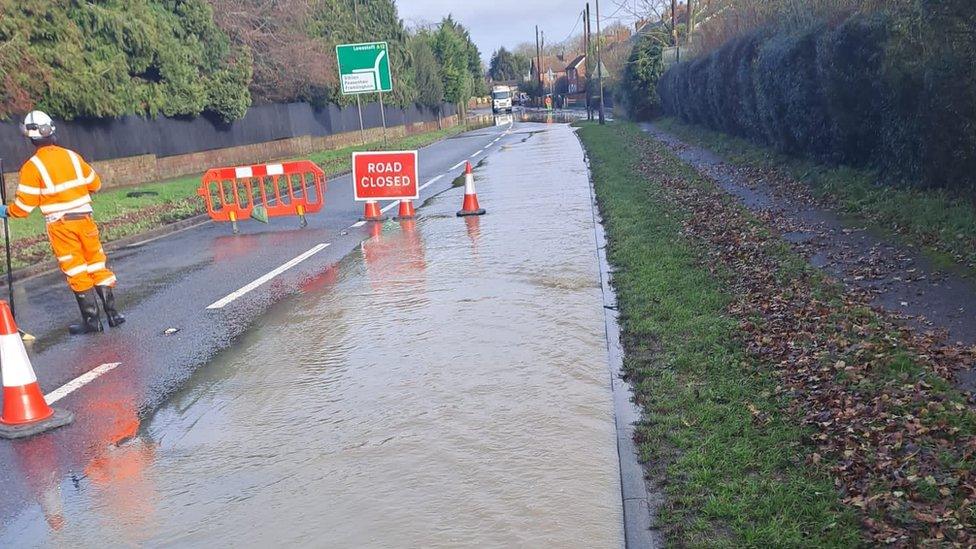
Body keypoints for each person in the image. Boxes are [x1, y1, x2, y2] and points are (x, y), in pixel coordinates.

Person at [0, 110, 124, 334]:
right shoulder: (72, 156)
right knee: (97, 263)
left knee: (76, 269)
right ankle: (113, 315)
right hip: (85, 219)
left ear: (30, 136)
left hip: (61, 225)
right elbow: (95, 184)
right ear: (51, 131)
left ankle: (92, 322)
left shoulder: (32, 167)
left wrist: (6, 211)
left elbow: (24, 208)